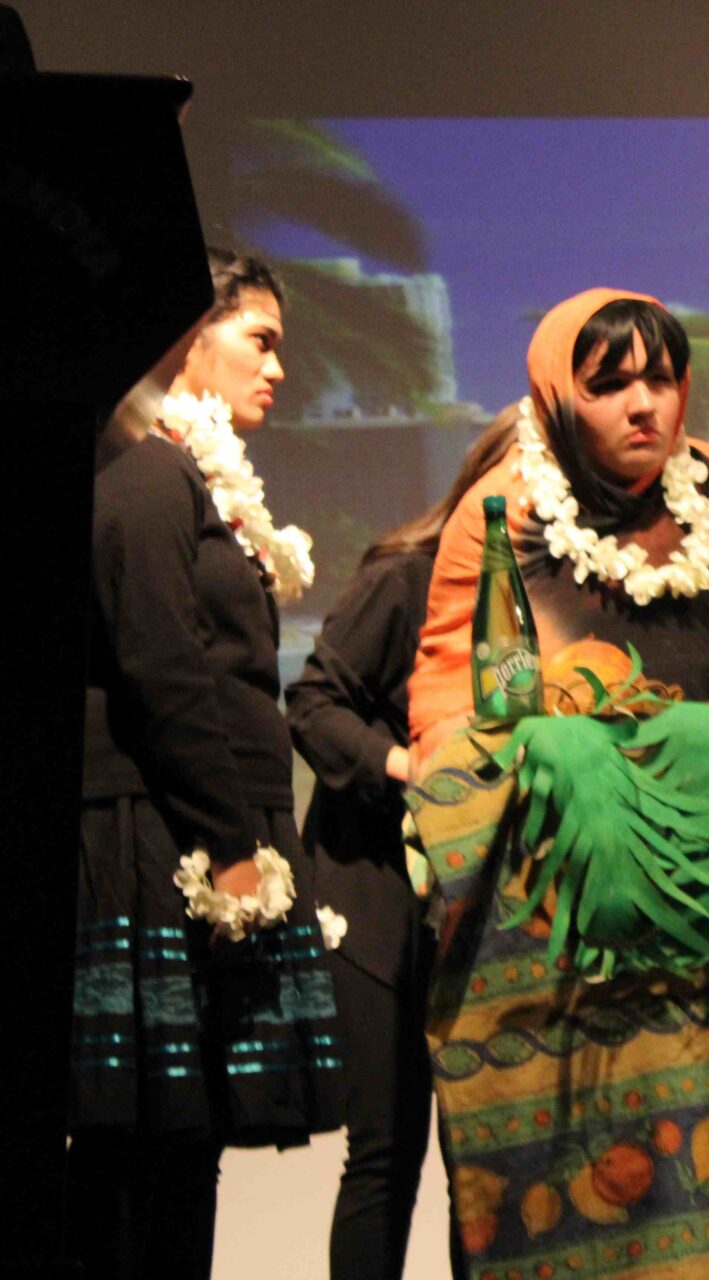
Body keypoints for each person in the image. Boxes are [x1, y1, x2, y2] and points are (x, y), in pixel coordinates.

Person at [71, 249, 341, 1280]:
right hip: (162, 834)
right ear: (190, 335)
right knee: (143, 1144)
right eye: (258, 340)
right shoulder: (146, 471)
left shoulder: (190, 477)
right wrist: (232, 845)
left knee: (184, 1143)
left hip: (202, 822)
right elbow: (160, 665)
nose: (278, 368)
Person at [286, 406, 519, 1280]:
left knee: (480, 1166)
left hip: (476, 904)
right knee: (386, 1154)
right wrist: (407, 766)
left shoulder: (543, 599)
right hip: (376, 891)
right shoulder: (407, 577)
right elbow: (313, 704)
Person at [409, 287, 709, 755]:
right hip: (575, 791)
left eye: (659, 380)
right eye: (610, 385)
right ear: (556, 397)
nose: (643, 405)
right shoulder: (503, 508)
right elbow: (452, 707)